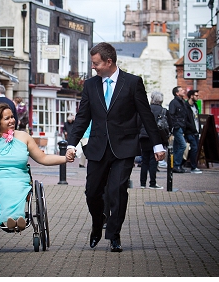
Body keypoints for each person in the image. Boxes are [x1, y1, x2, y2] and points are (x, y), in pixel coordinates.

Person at [65, 42, 166, 252]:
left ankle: (114, 235)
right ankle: (97, 222)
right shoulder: (90, 85)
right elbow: (83, 117)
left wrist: (157, 144)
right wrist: (72, 144)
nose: (93, 67)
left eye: (96, 63)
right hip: (97, 147)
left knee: (117, 190)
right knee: (92, 192)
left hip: (124, 147)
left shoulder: (132, 83)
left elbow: (146, 115)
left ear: (109, 61)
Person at [0, 104, 73, 230]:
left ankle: (14, 219)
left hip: (21, 180)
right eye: (7, 118)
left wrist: (65, 159)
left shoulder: (24, 137)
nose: (12, 120)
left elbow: (43, 158)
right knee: (4, 187)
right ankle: (13, 220)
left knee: (17, 187)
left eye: (12, 117)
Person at [139, 91, 168, 189]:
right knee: (153, 161)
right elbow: (168, 126)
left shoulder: (146, 109)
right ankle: (152, 183)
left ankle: (142, 184)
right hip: (157, 138)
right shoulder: (163, 111)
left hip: (144, 137)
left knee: (144, 161)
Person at [168, 86, 188, 173]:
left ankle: (174, 165)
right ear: (177, 93)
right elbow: (171, 115)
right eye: (181, 90)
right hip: (177, 127)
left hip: (181, 127)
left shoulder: (182, 102)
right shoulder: (174, 103)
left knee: (176, 146)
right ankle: (177, 164)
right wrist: (176, 125)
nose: (184, 91)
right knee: (183, 145)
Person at [184, 89, 203, 174]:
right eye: (196, 95)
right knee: (194, 148)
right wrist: (191, 128)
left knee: (195, 149)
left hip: (196, 131)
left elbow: (196, 119)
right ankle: (193, 167)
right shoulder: (185, 106)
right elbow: (185, 120)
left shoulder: (195, 106)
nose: (198, 97)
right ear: (191, 96)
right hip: (190, 131)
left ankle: (191, 165)